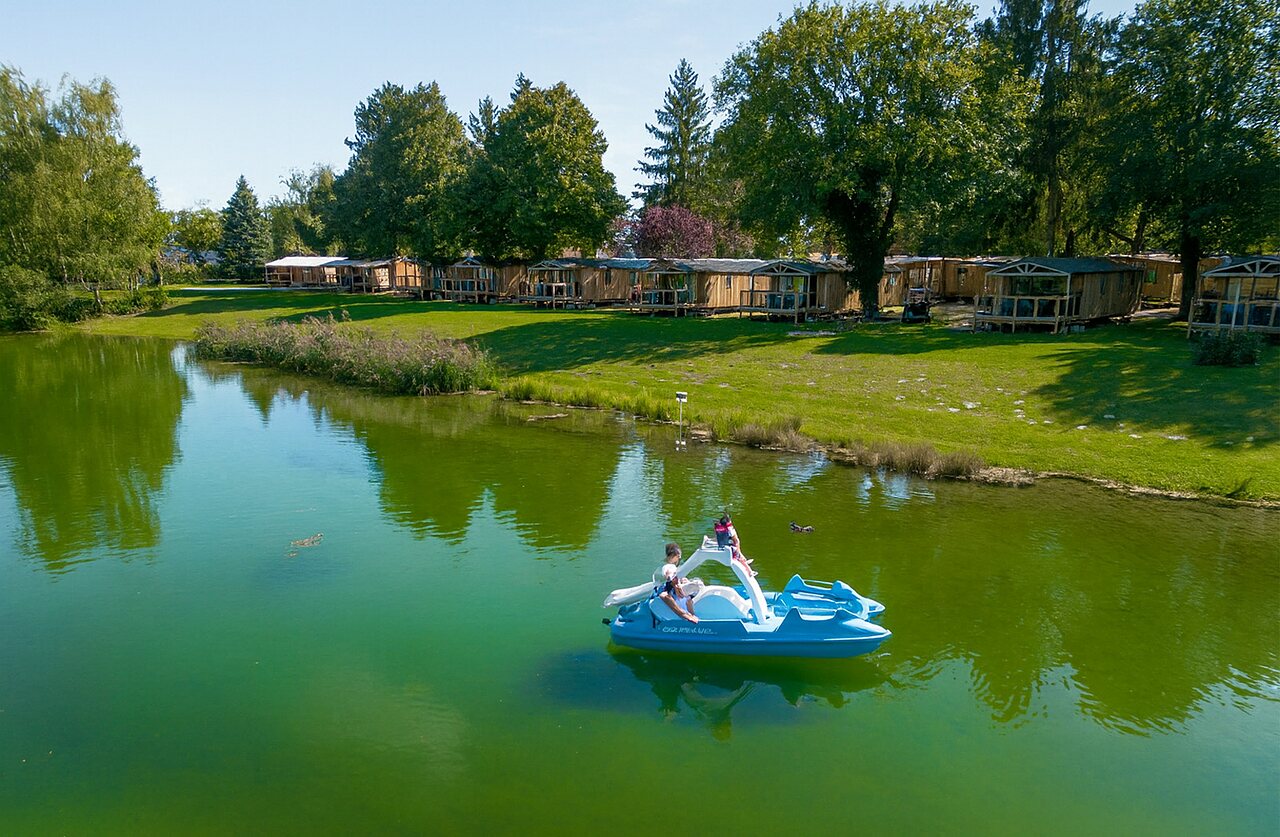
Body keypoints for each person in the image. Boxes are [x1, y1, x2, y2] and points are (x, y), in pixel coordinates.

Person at [656, 542, 698, 623]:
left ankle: (692, 614)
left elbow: (674, 576)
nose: (679, 558)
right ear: (672, 556)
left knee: (688, 598)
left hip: (674, 588)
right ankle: (684, 614)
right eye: (678, 556)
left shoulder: (673, 566)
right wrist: (670, 578)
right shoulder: (668, 566)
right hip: (667, 589)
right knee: (666, 597)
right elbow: (668, 573)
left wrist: (682, 581)